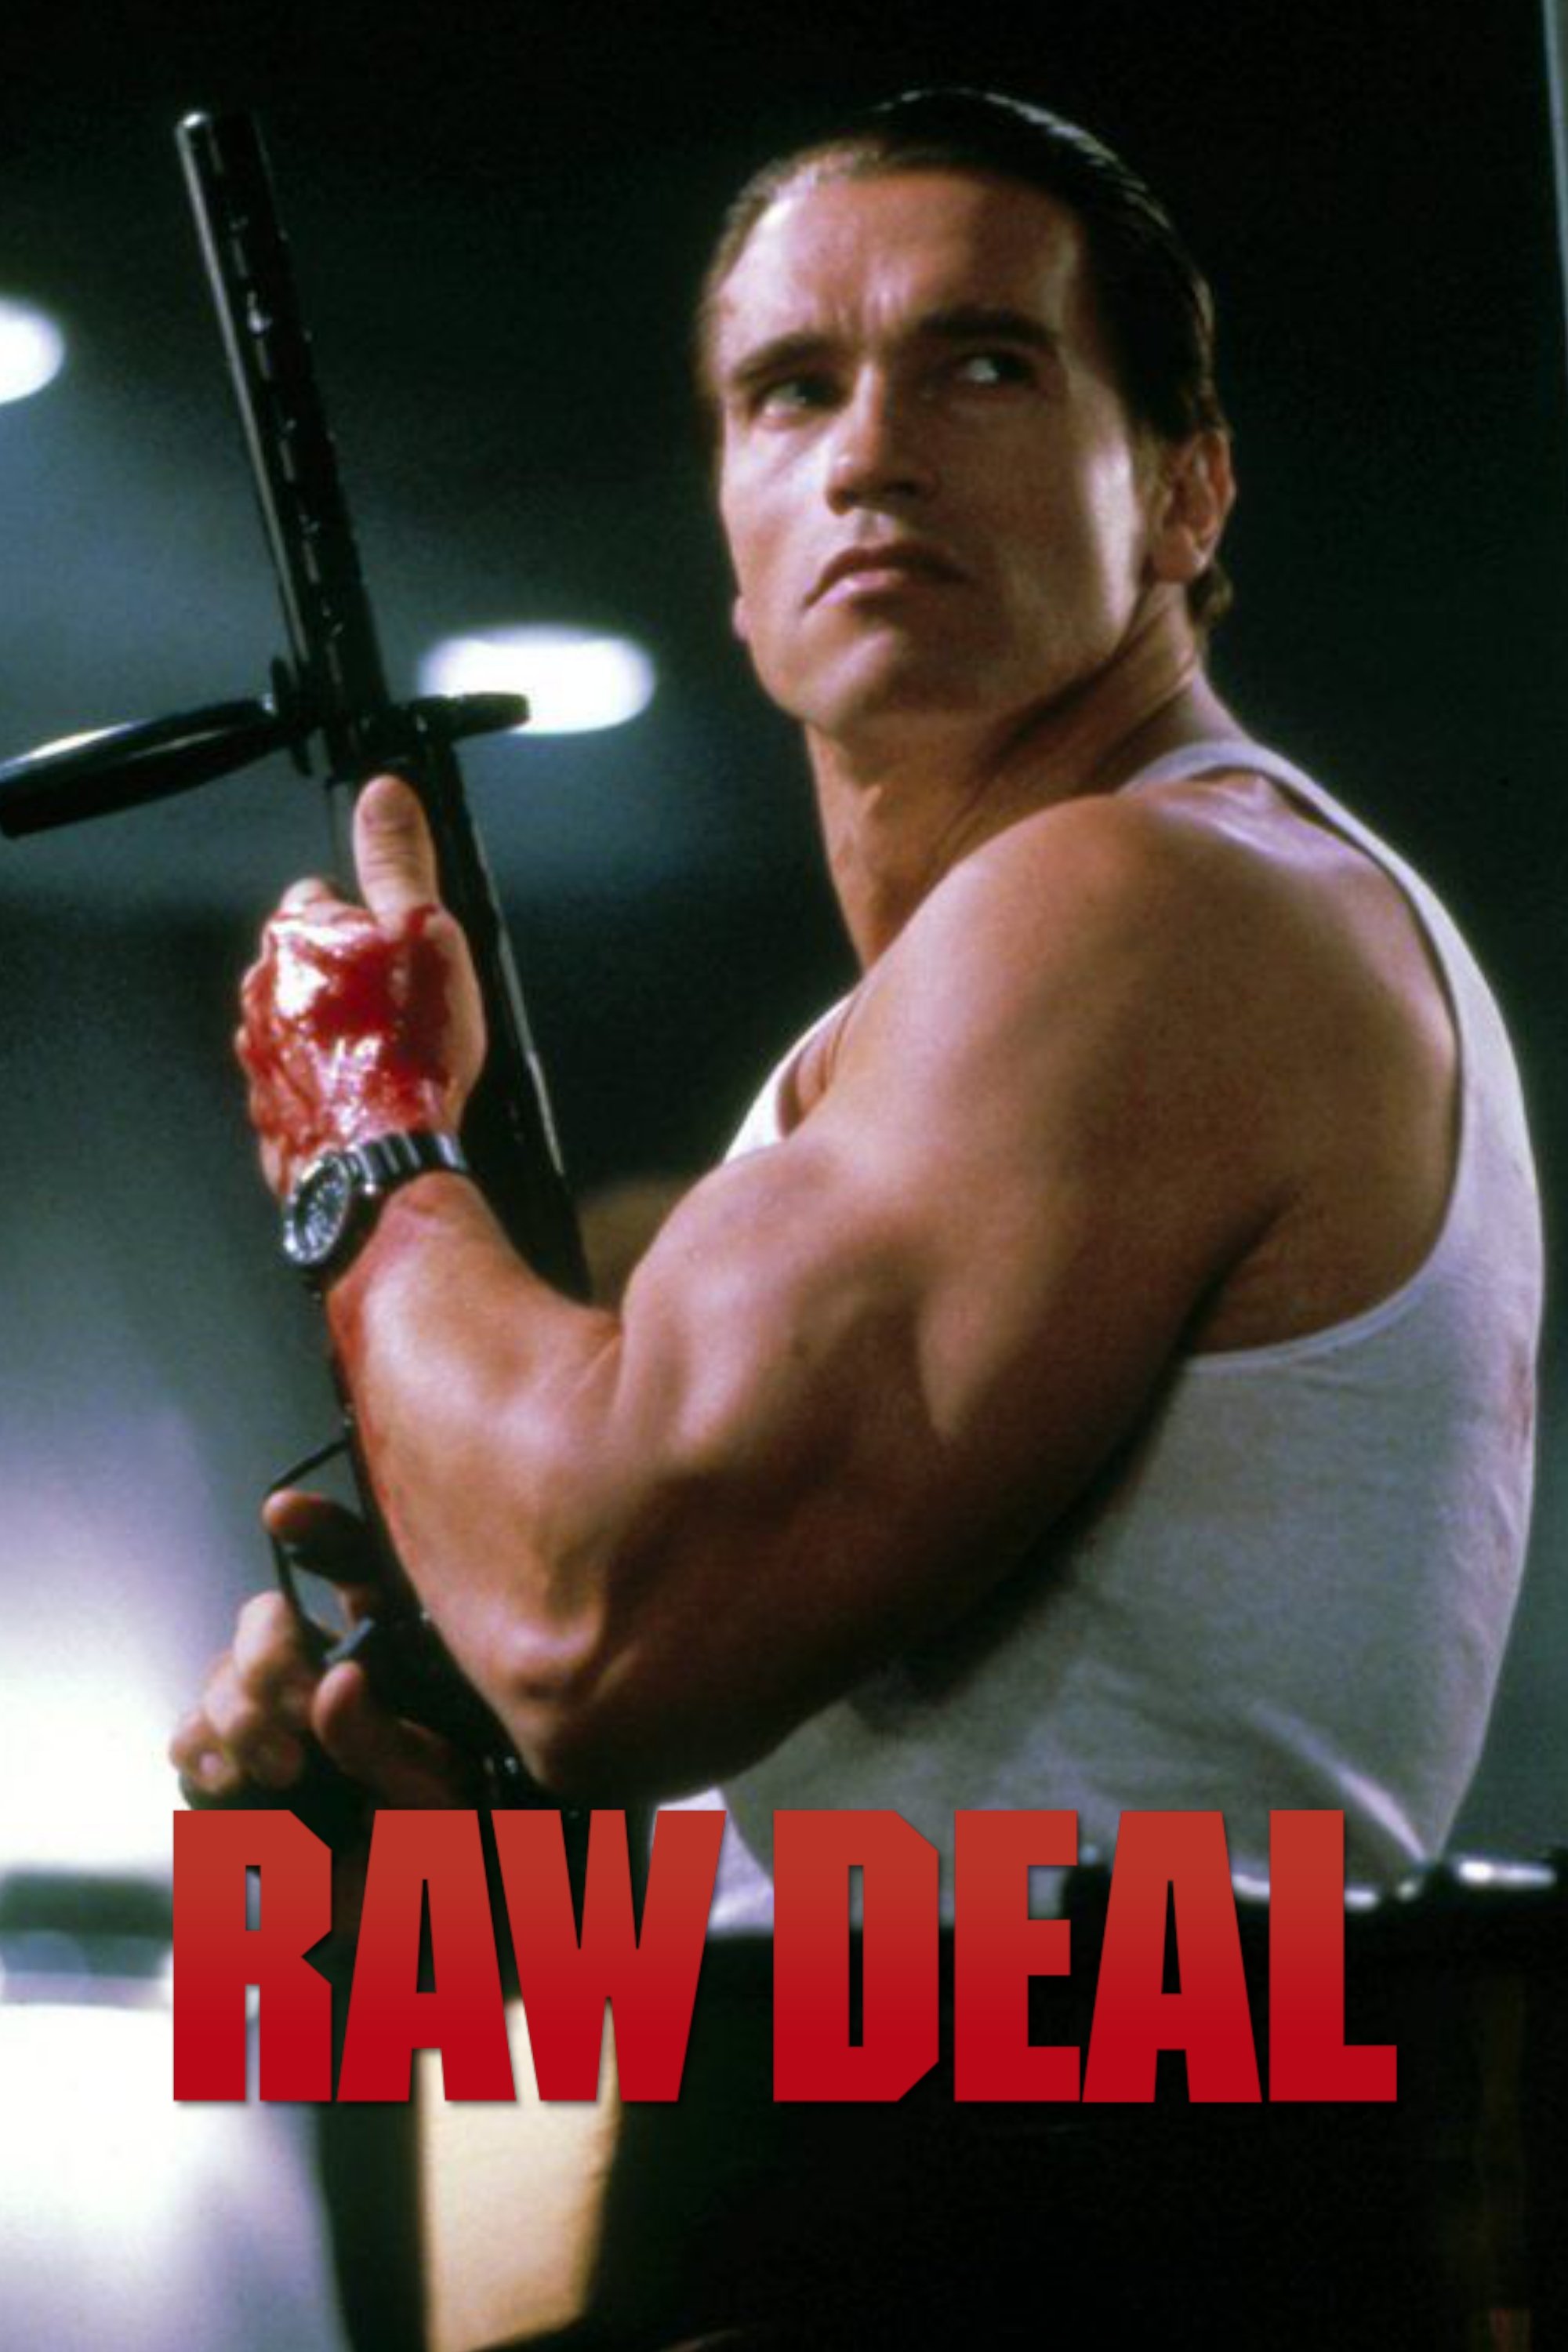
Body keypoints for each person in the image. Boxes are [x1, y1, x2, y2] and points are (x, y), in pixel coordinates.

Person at [172, 85, 1541, 1933]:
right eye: (792, 390)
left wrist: (357, 1142)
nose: (871, 455)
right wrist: (431, 1784)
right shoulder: (943, 1012)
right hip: (961, 2098)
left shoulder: (1153, 896)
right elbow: (737, 1779)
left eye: (982, 367)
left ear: (1185, 491)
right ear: (734, 551)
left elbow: (602, 1616)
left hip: (1089, 2115)